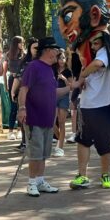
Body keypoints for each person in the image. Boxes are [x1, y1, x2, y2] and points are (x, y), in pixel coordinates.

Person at [58, 0, 110, 190]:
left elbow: (97, 65)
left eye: (68, 17)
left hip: (104, 105)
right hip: (88, 105)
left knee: (105, 144)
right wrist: (79, 84)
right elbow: (86, 66)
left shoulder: (105, 49)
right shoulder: (87, 51)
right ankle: (82, 175)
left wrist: (81, 77)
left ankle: (105, 175)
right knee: (83, 140)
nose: (92, 43)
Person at [17, 37, 78, 197]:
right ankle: (31, 183)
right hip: (34, 117)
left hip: (47, 118)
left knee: (44, 152)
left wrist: (70, 88)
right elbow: (24, 89)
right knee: (36, 152)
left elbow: (53, 93)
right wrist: (22, 108)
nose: (58, 52)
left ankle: (40, 181)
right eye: (55, 49)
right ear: (47, 50)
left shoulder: (50, 70)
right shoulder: (33, 67)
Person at [11, 37, 38, 152]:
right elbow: (18, 77)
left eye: (38, 48)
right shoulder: (25, 62)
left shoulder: (44, 61)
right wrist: (13, 91)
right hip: (25, 94)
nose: (37, 50)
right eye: (34, 48)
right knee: (23, 118)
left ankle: (35, 142)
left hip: (39, 95)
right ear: (30, 48)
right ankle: (24, 142)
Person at [3, 36, 25, 140]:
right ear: (16, 43)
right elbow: (4, 71)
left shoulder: (24, 54)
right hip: (12, 79)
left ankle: (20, 130)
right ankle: (10, 131)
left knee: (21, 105)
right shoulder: (8, 55)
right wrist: (6, 84)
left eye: (22, 43)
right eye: (20, 43)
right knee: (13, 106)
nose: (22, 45)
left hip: (21, 80)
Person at [52, 50, 73, 156]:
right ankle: (61, 137)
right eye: (60, 58)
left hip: (64, 96)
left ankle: (60, 148)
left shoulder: (68, 71)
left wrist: (64, 79)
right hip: (53, 95)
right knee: (51, 121)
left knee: (61, 122)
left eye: (64, 58)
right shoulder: (53, 69)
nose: (62, 60)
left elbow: (72, 85)